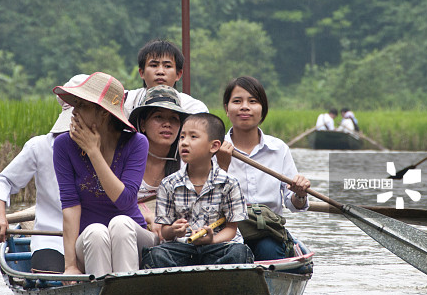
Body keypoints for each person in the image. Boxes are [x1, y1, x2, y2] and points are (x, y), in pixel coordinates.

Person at [52, 72, 157, 278]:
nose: (75, 112)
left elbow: (125, 202)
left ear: (103, 113)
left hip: (132, 235)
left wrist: (93, 152)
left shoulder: (136, 143)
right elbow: (71, 206)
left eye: (83, 106)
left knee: (119, 224)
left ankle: (127, 294)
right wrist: (70, 265)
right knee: (96, 231)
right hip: (91, 242)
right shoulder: (63, 146)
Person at [0, 74, 88, 272]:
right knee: (50, 275)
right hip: (52, 238)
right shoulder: (40, 146)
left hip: (94, 237)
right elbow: (4, 180)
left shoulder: (111, 147)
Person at [216, 76, 310, 261]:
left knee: (268, 249)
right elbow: (204, 199)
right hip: (224, 230)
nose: (245, 107)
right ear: (227, 109)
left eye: (252, 101)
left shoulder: (278, 149)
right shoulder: (214, 148)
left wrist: (300, 194)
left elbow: (293, 204)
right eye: (237, 101)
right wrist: (222, 165)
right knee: (229, 252)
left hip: (266, 231)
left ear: (262, 110)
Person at [141, 113, 253, 268]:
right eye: (182, 137)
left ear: (214, 146)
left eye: (193, 137)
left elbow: (231, 229)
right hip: (183, 248)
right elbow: (164, 231)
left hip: (218, 247)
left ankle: (209, 280)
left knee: (240, 252)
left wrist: (212, 239)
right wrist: (173, 230)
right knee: (155, 254)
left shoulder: (229, 183)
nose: (184, 143)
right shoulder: (168, 184)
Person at [128, 85, 190, 238]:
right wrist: (145, 215)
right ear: (142, 124)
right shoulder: (125, 159)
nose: (167, 124)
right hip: (131, 235)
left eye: (173, 119)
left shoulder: (188, 164)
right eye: (159, 117)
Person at [123, 39, 208, 116]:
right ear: (142, 73)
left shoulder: (194, 109)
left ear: (178, 74)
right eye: (153, 65)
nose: (160, 72)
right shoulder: (125, 101)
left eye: (167, 66)